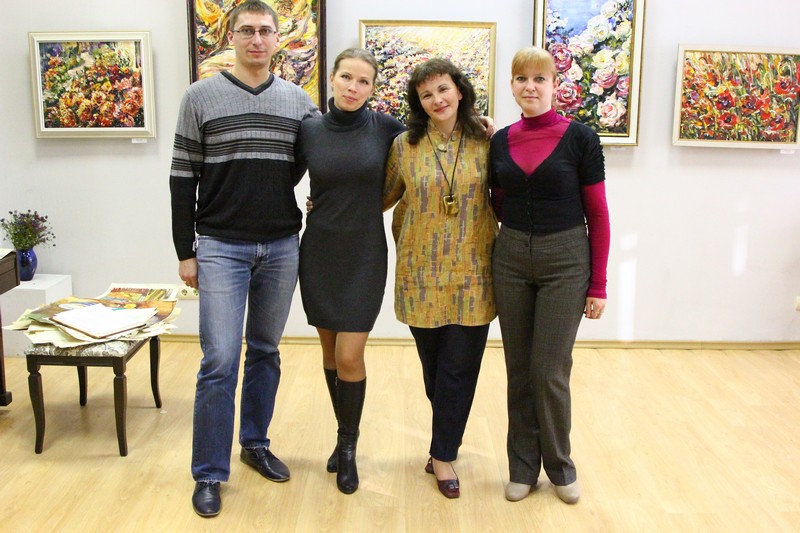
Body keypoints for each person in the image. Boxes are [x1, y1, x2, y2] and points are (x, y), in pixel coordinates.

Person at [169, 0, 318, 518]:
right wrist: (185, 251)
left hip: (280, 245)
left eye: (265, 31)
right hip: (219, 246)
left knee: (265, 350)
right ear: (230, 37)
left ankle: (254, 443)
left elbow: (327, 153)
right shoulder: (200, 96)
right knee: (219, 360)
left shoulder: (299, 101)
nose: (257, 39)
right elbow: (181, 177)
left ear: (278, 39)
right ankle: (209, 472)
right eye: (247, 30)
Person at [489, 47, 610, 505]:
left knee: (549, 370)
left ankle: (560, 466)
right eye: (522, 78)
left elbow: (598, 214)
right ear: (512, 85)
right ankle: (522, 467)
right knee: (519, 370)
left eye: (540, 78)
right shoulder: (501, 141)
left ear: (555, 85)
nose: (530, 86)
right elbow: (498, 202)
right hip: (511, 258)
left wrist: (598, 285)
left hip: (566, 260)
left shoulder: (581, 139)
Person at [383, 58, 498, 499]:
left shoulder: (487, 141)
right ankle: (444, 440)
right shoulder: (404, 146)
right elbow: (381, 197)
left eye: (443, 89)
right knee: (435, 374)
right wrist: (327, 202)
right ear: (419, 103)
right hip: (421, 275)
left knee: (458, 372)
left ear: (460, 91)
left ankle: (444, 454)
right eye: (426, 94)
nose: (437, 99)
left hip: (474, 275)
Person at [295, 48, 405, 494]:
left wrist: (484, 126)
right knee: (328, 355)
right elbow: (282, 177)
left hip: (364, 254)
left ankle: (348, 449)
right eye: (346, 77)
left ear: (373, 88)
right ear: (332, 79)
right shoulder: (309, 130)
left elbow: (437, 141)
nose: (353, 88)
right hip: (320, 251)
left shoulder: (387, 129)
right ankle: (342, 440)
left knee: (348, 357)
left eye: (363, 81)